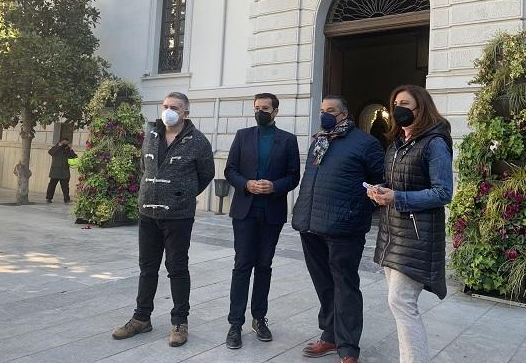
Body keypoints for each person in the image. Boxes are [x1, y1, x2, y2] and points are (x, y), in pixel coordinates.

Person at [112, 92, 215, 347]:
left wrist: (181, 194)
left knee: (177, 268)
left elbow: (206, 174)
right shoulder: (151, 135)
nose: (168, 111)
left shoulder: (198, 142)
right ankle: (141, 318)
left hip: (178, 216)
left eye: (175, 108)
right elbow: (143, 168)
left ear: (185, 114)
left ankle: (180, 322)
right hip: (148, 213)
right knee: (147, 268)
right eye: (166, 106)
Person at [292, 95, 384, 363]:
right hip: (310, 223)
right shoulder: (319, 140)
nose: (325, 115)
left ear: (344, 114)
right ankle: (329, 336)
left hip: (344, 227)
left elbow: (379, 184)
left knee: (345, 285)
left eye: (330, 110)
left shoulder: (366, 143)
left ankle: (348, 348)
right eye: (322, 110)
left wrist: (358, 211)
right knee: (324, 284)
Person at [367, 85, 453, 363]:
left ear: (421, 107)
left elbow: (443, 192)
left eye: (404, 103)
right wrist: (379, 190)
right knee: (399, 304)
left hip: (417, 233)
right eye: (394, 104)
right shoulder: (395, 144)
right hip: (392, 231)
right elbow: (396, 184)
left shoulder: (435, 142)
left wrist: (397, 197)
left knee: (401, 302)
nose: (397, 108)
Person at [223, 92, 301, 349]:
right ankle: (235, 323)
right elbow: (230, 170)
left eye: (265, 108)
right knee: (242, 265)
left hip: (272, 213)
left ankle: (259, 318)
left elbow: (293, 176)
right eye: (257, 108)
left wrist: (274, 186)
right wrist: (247, 184)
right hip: (244, 211)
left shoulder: (288, 140)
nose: (260, 112)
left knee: (264, 265)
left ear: (275, 111)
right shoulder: (242, 136)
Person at [46, 138, 78, 203]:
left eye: (67, 142)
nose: (65, 144)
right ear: (61, 142)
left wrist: (71, 149)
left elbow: (74, 156)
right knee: (52, 185)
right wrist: (59, 145)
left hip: (64, 171)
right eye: (64, 142)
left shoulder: (68, 149)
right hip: (56, 171)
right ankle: (48, 198)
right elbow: (50, 152)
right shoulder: (56, 148)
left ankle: (66, 199)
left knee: (65, 186)